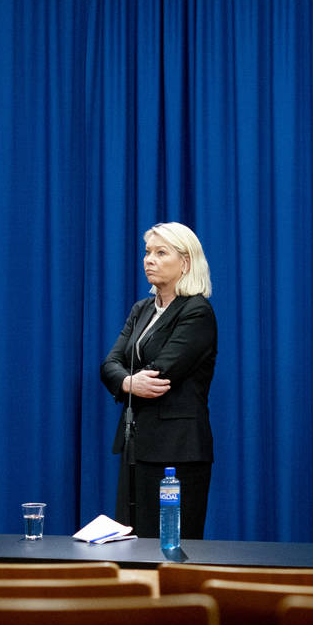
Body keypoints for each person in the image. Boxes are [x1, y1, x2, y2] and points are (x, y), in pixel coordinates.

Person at [101, 222, 216, 539]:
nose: (148, 259)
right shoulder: (141, 310)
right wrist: (127, 383)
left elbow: (160, 373)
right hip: (136, 445)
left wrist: (128, 379)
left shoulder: (197, 312)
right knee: (131, 540)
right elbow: (110, 365)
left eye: (160, 252)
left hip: (177, 450)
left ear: (186, 262)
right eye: (147, 252)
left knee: (170, 543)